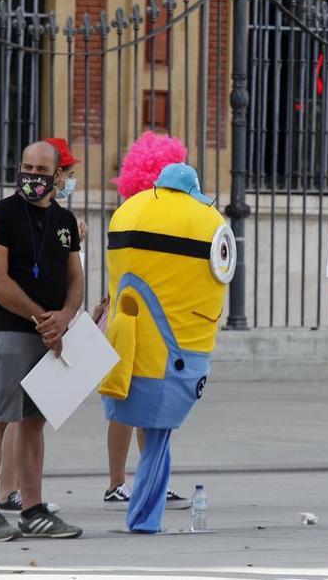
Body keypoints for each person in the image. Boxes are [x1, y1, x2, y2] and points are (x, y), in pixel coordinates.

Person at [99, 162, 234, 533]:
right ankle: (144, 517)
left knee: (138, 420)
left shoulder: (128, 211)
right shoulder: (208, 219)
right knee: (157, 433)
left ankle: (138, 504)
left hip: (128, 342)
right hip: (180, 348)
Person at [0, 141, 84, 541]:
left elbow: (76, 279)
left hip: (51, 335)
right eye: (26, 166)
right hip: (10, 332)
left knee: (34, 423)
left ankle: (33, 508)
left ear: (57, 176)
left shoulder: (66, 221)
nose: (32, 175)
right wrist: (42, 318)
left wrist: (67, 316)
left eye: (41, 169)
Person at [99, 131, 191, 511]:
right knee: (124, 398)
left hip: (156, 319)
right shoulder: (134, 214)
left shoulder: (152, 214)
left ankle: (149, 478)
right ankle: (119, 481)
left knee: (150, 400)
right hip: (132, 317)